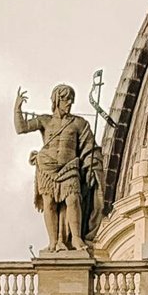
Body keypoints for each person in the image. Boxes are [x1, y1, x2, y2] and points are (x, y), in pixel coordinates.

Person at [13, 84, 105, 252]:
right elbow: (21, 128)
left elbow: (89, 147)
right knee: (49, 204)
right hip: (46, 167)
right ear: (56, 100)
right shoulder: (44, 120)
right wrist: (17, 108)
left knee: (73, 199)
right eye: (64, 99)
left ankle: (76, 238)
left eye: (71, 99)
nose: (68, 103)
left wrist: (92, 165)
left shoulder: (79, 123)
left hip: (69, 167)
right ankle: (54, 242)